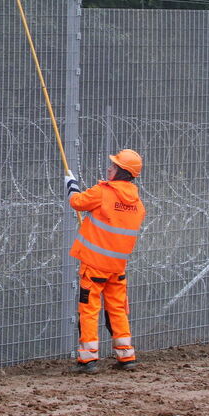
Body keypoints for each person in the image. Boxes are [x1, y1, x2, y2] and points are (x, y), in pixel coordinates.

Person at [65, 148, 146, 374]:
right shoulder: (137, 204)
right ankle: (126, 357)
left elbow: (77, 202)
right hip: (117, 268)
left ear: (121, 171)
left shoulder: (103, 192)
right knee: (117, 310)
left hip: (93, 266)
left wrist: (71, 184)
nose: (109, 169)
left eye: (113, 166)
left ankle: (88, 360)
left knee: (89, 310)